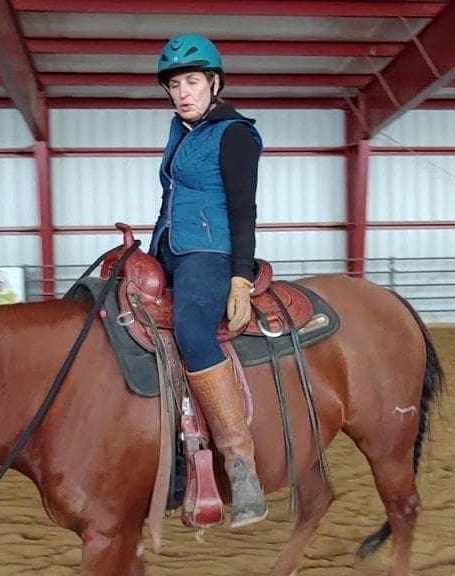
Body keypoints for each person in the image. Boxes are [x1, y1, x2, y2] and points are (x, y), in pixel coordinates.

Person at [148, 33, 267, 528]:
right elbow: (169, 198)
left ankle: (241, 466)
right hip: (168, 248)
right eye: (175, 85)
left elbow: (243, 210)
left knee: (194, 330)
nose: (183, 93)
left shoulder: (234, 134)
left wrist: (240, 278)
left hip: (211, 251)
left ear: (214, 83)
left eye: (192, 82)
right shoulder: (179, 131)